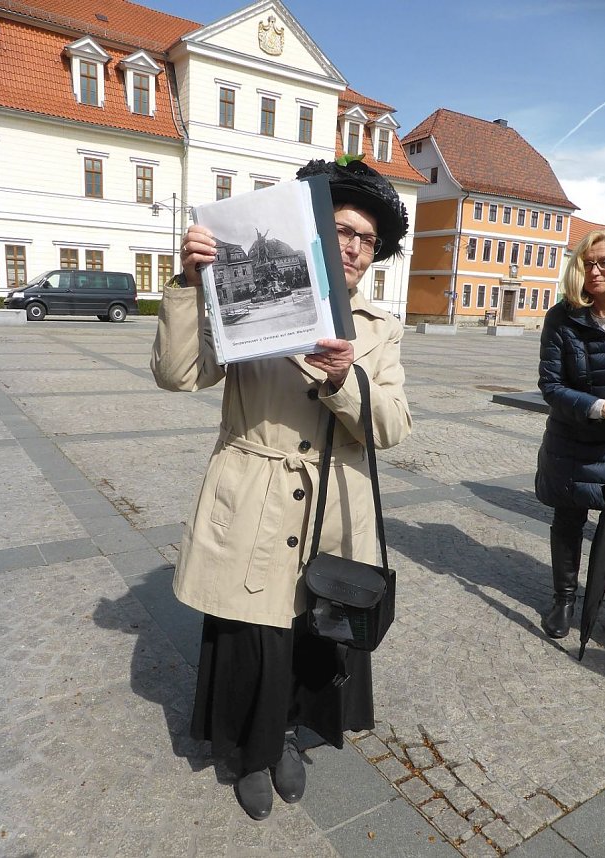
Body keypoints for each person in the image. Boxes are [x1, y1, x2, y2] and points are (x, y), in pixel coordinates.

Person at [150, 158, 412, 820]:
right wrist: (188, 284)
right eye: (343, 230)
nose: (355, 247)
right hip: (255, 490)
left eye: (368, 240)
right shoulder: (250, 295)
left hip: (335, 502)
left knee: (312, 630)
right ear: (317, 233)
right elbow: (178, 374)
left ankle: (290, 735)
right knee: (252, 634)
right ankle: (250, 751)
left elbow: (391, 428)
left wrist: (342, 382)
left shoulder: (379, 326)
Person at [536, 229, 605, 639]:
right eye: (587, 263)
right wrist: (598, 407)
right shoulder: (562, 317)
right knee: (568, 519)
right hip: (573, 441)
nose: (594, 271)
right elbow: (550, 385)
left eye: (604, 263)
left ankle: (601, 600)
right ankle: (564, 599)